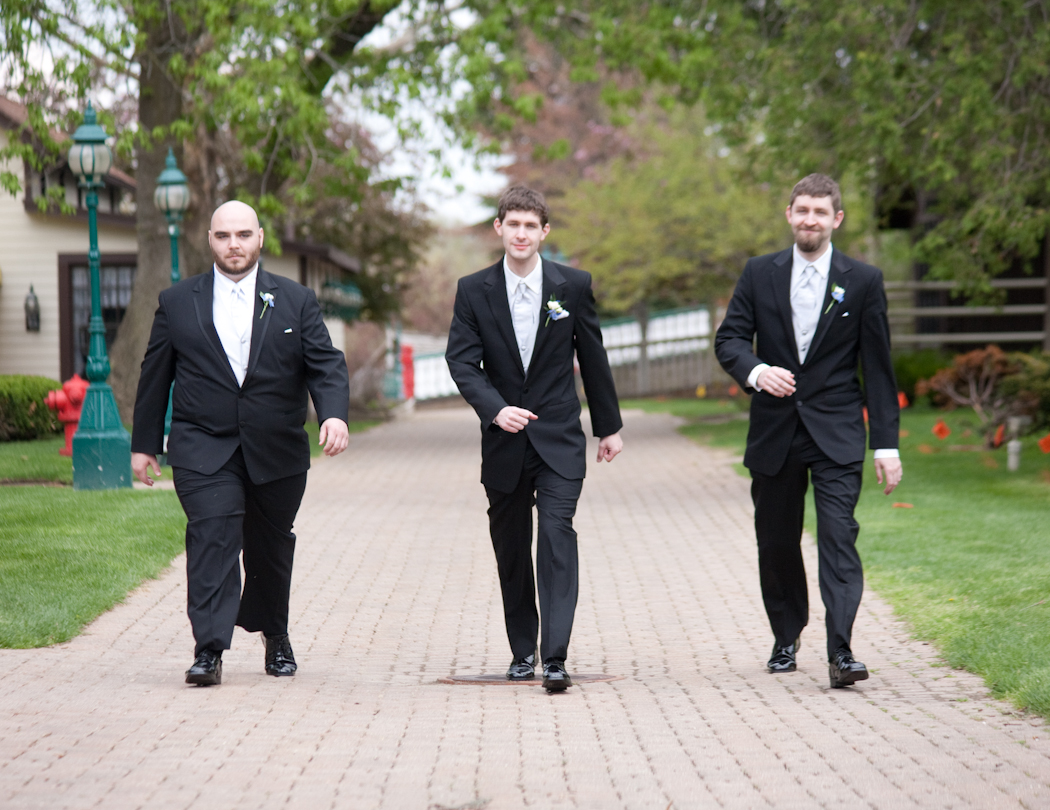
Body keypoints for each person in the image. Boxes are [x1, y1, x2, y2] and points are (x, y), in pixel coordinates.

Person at [131, 200, 350, 686]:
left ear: (260, 238)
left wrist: (333, 414)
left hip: (276, 448)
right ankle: (209, 649)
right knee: (213, 537)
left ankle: (276, 634)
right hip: (202, 445)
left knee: (270, 547)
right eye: (224, 235)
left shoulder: (295, 299)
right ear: (210, 239)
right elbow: (155, 373)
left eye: (244, 235)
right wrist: (144, 443)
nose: (234, 244)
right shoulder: (177, 301)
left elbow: (325, 363)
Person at [714, 174, 903, 688]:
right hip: (774, 431)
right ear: (789, 214)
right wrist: (757, 372)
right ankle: (786, 635)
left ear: (836, 219)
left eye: (820, 212)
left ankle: (841, 650)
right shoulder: (759, 273)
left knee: (838, 536)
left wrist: (886, 445)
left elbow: (878, 368)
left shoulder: (863, 280)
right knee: (776, 541)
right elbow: (730, 339)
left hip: (836, 431)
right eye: (802, 210)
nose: (810, 220)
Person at [446, 186, 623, 693]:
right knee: (511, 547)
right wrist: (495, 409)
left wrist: (608, 427)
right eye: (513, 224)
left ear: (544, 231)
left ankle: (555, 656)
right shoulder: (473, 290)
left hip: (560, 438)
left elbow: (593, 356)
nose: (521, 234)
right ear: (499, 228)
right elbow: (462, 361)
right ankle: (523, 650)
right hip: (503, 440)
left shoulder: (573, 286)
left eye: (531, 225)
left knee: (556, 534)